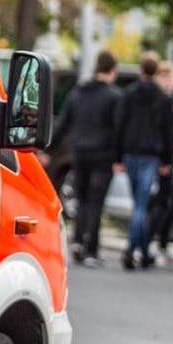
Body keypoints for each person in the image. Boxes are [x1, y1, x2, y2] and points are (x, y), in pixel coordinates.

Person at [50, 50, 121, 268]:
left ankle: (78, 242)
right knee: (95, 202)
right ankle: (91, 248)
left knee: (81, 200)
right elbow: (119, 129)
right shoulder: (114, 96)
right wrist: (119, 157)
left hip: (79, 153)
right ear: (112, 70)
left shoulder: (78, 93)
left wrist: (48, 148)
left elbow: (64, 123)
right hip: (103, 154)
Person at [117, 52, 173, 270]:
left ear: (141, 70)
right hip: (150, 155)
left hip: (131, 152)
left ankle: (139, 249)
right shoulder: (162, 98)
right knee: (141, 204)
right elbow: (167, 132)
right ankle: (134, 248)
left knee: (138, 203)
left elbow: (119, 125)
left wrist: (118, 156)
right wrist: (167, 160)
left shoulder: (128, 94)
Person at [147, 61, 173, 263]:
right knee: (164, 202)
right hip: (160, 160)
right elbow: (162, 133)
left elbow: (171, 134)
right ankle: (153, 242)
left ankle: (157, 242)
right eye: (168, 78)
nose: (171, 83)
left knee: (166, 201)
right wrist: (166, 159)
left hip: (164, 158)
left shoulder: (168, 102)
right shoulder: (160, 102)